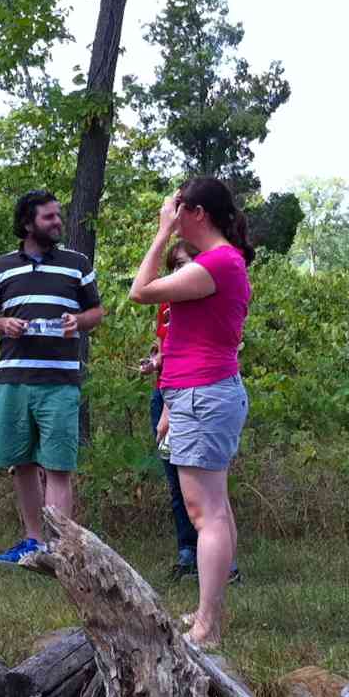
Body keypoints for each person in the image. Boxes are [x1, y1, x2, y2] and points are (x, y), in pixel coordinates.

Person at [129, 178, 254, 648]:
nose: (169, 212)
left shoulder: (217, 262)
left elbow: (141, 291)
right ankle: (209, 617)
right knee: (214, 509)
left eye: (176, 206)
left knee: (207, 514)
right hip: (198, 393)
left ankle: (207, 627)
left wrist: (161, 235)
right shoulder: (217, 262)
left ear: (195, 212)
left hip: (203, 394)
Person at [0, 190, 105, 564]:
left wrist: (76, 322)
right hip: (13, 380)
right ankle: (33, 541)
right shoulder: (1, 268)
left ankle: (60, 549)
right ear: (28, 223)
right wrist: (3, 324)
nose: (57, 222)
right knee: (22, 464)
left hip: (60, 382)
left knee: (58, 465)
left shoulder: (76, 264)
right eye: (49, 217)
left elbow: (96, 312)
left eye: (58, 216)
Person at [138, 239, 202, 577]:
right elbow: (166, 348)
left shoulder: (206, 301)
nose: (181, 271)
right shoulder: (166, 303)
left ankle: (220, 560)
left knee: (202, 483)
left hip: (188, 396)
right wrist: (155, 362)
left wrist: (170, 406)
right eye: (175, 265)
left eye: (187, 262)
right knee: (176, 481)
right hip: (163, 393)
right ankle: (187, 552)